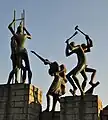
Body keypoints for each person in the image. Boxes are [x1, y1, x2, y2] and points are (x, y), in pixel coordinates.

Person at [8, 19, 32, 84]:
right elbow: (30, 36)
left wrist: (13, 21)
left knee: (16, 68)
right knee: (28, 68)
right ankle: (28, 82)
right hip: (24, 51)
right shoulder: (24, 35)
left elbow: (9, 27)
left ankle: (10, 81)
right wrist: (25, 28)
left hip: (18, 51)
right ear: (22, 30)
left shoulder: (16, 35)